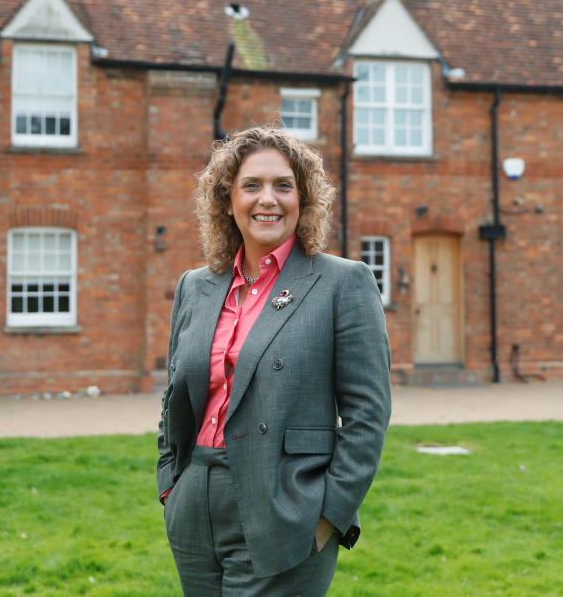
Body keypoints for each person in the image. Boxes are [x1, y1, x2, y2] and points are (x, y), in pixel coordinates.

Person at [157, 126, 392, 596]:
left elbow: (368, 415)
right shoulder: (195, 286)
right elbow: (174, 399)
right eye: (252, 185)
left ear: (303, 199)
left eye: (283, 185)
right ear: (227, 201)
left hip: (286, 505)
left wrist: (329, 516)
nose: (269, 199)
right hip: (195, 502)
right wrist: (171, 483)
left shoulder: (342, 283)